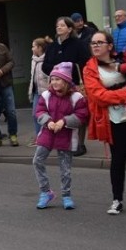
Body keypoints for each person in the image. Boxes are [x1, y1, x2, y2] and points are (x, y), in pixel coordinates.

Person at [83, 31, 126, 216]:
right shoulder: (90, 68)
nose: (95, 45)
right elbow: (98, 96)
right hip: (113, 119)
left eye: (100, 42)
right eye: (93, 43)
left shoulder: (124, 60)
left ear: (110, 46)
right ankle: (117, 200)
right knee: (118, 160)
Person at [31, 62, 89, 209]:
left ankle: (66, 195)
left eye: (58, 79)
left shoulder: (77, 97)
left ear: (67, 81)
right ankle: (45, 192)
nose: (54, 82)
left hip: (67, 136)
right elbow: (39, 111)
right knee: (37, 161)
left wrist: (64, 121)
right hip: (47, 134)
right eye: (52, 79)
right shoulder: (46, 95)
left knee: (65, 169)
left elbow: (82, 115)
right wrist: (47, 121)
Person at [42, 16, 90, 156]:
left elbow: (85, 63)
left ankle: (80, 144)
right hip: (56, 86)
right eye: (57, 25)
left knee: (77, 114)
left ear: (69, 29)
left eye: (62, 25)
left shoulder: (78, 44)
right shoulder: (52, 46)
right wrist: (57, 69)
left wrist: (68, 68)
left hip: (73, 85)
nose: (59, 27)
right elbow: (45, 66)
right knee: (60, 114)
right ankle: (64, 142)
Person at [28, 37, 52, 145]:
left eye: (33, 46)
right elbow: (32, 77)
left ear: (40, 48)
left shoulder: (48, 59)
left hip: (47, 92)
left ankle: (50, 136)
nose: (32, 48)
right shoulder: (33, 60)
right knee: (35, 114)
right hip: (37, 92)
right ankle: (40, 137)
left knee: (49, 115)